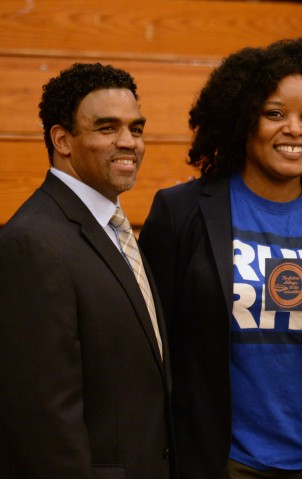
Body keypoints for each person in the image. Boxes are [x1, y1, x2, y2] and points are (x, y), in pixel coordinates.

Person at [138, 37, 302, 479]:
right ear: (241, 121)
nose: (295, 129)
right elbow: (151, 347)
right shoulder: (181, 212)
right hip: (218, 461)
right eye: (275, 114)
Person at [0, 63, 173, 478]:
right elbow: (42, 418)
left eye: (136, 128)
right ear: (62, 139)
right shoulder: (32, 242)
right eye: (108, 128)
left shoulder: (113, 226)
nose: (129, 142)